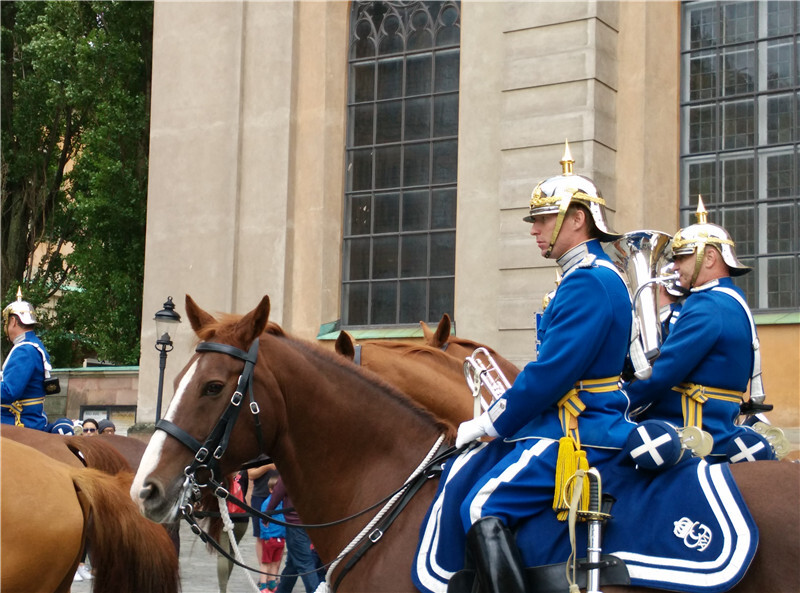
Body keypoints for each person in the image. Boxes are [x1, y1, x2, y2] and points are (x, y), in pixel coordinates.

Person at [413, 143, 635, 593]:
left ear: (577, 218)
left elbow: (551, 374)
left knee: (481, 506)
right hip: (574, 418)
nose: (534, 229)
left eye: (544, 218)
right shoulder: (593, 275)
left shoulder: (589, 280)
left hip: (577, 428)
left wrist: (489, 423)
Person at [624, 197, 773, 462]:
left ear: (710, 257)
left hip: (691, 432)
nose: (675, 266)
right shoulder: (730, 299)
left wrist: (619, 401)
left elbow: (663, 374)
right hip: (717, 424)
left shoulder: (708, 304)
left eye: (682, 257)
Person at [1, 288, 52, 430]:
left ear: (13, 321)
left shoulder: (24, 350)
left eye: (5, 322)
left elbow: (9, 391)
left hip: (19, 420)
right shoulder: (32, 345)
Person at [264, 475, 321, 593]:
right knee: (292, 566)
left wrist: (266, 515)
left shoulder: (288, 473)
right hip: (310, 523)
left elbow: (277, 493)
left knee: (304, 564)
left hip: (296, 524)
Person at [217, 470, 251, 593]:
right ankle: (225, 585)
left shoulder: (221, 472)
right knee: (231, 553)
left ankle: (223, 589)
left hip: (224, 516)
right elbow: (246, 491)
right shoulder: (244, 472)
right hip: (242, 517)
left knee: (222, 554)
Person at [248, 459, 277, 585]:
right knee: (260, 536)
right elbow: (251, 474)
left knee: (278, 536)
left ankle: (273, 575)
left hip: (280, 496)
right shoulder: (258, 453)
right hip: (260, 496)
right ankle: (264, 574)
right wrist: (268, 466)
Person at [259, 475, 286, 592]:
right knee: (266, 562)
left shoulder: (283, 503)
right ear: (271, 490)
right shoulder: (267, 503)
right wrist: (266, 535)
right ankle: (263, 585)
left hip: (281, 537)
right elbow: (262, 520)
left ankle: (272, 582)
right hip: (270, 537)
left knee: (275, 562)